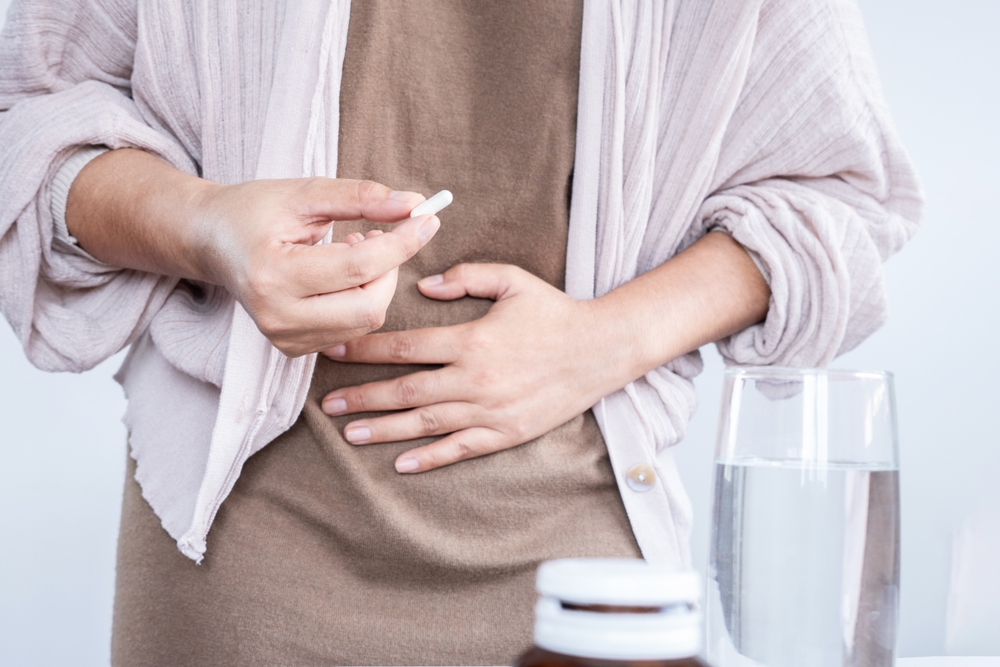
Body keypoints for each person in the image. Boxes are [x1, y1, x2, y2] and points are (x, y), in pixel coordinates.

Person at [0, 0, 922, 665]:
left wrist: (604, 340)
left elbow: (836, 199)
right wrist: (207, 226)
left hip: (584, 586)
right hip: (241, 575)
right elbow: (29, 120)